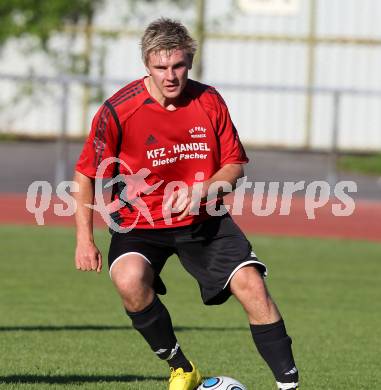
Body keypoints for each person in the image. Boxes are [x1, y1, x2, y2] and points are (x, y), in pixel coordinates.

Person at [73, 17, 299, 390]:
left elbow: (233, 167)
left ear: (189, 61)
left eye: (178, 65)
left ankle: (289, 386)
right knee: (129, 280)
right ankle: (182, 367)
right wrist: (85, 239)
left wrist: (201, 191)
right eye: (160, 67)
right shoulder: (119, 110)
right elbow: (86, 173)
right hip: (139, 224)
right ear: (147, 64)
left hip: (204, 220)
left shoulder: (208, 101)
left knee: (252, 285)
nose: (170, 75)